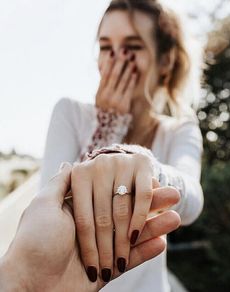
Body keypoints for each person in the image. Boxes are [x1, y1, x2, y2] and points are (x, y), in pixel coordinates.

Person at [40, 0, 204, 291]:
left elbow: (191, 200)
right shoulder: (70, 113)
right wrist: (108, 130)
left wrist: (138, 163)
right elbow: (47, 213)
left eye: (133, 47)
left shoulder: (179, 130)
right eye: (106, 48)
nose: (117, 60)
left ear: (164, 60)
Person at [0, 162, 180, 291]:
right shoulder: (69, 111)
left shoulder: (176, 126)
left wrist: (147, 169)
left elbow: (192, 200)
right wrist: (23, 275)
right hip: (77, 274)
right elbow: (48, 184)